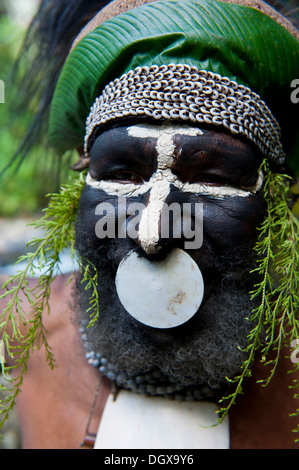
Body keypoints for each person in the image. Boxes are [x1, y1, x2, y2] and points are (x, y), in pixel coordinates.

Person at [1, 0, 298, 449]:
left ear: (275, 208)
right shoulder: (20, 326)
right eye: (120, 174)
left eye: (212, 178)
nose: (152, 231)